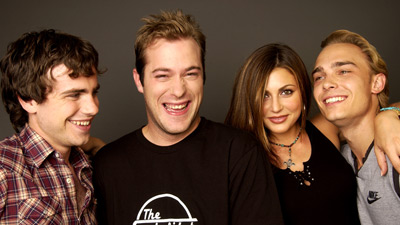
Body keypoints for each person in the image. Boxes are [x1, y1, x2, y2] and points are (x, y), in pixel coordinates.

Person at [92, 10, 283, 225]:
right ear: (139, 80)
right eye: (163, 75)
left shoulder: (239, 153)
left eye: (190, 74)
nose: (178, 90)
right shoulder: (107, 165)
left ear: (204, 76)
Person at [225, 43, 361, 224]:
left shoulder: (325, 127)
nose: (275, 107)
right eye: (264, 95)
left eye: (286, 92)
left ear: (303, 92)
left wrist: (389, 116)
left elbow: (374, 110)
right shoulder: (243, 157)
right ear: (249, 100)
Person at [0, 29, 101, 224]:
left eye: (93, 92)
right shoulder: (5, 169)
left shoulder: (90, 165)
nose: (93, 108)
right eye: (74, 95)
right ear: (29, 100)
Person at [312, 29, 400, 225]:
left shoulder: (396, 145)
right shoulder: (338, 160)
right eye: (319, 77)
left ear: (376, 83)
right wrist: (390, 112)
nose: (327, 84)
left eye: (343, 71)